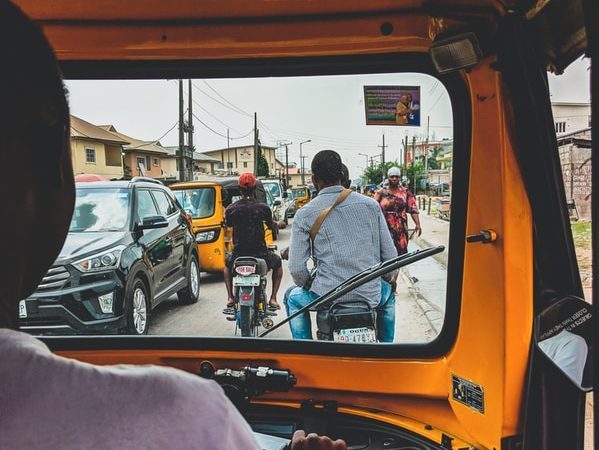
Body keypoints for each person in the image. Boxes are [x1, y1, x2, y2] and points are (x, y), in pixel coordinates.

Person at [0, 2, 345, 449]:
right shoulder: (185, 418)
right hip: (258, 258)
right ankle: (273, 300)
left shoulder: (231, 211)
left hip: (238, 259)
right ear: (51, 162)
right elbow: (269, 244)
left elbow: (220, 238)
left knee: (226, 268)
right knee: (275, 270)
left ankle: (231, 300)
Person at [286, 150, 398, 342]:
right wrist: (387, 279)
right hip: (368, 295)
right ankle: (385, 350)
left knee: (293, 299)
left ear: (314, 179)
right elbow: (390, 258)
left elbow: (297, 269)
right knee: (388, 298)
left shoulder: (304, 214)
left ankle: (306, 351)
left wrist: (311, 285)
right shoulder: (370, 205)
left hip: (326, 296)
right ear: (342, 175)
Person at [223, 172, 283, 312]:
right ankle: (273, 298)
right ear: (255, 188)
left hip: (238, 254)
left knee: (226, 265)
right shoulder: (263, 208)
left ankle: (230, 297)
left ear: (239, 189)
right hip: (260, 254)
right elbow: (270, 225)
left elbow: (228, 224)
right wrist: (278, 224)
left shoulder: (231, 209)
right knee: (278, 263)